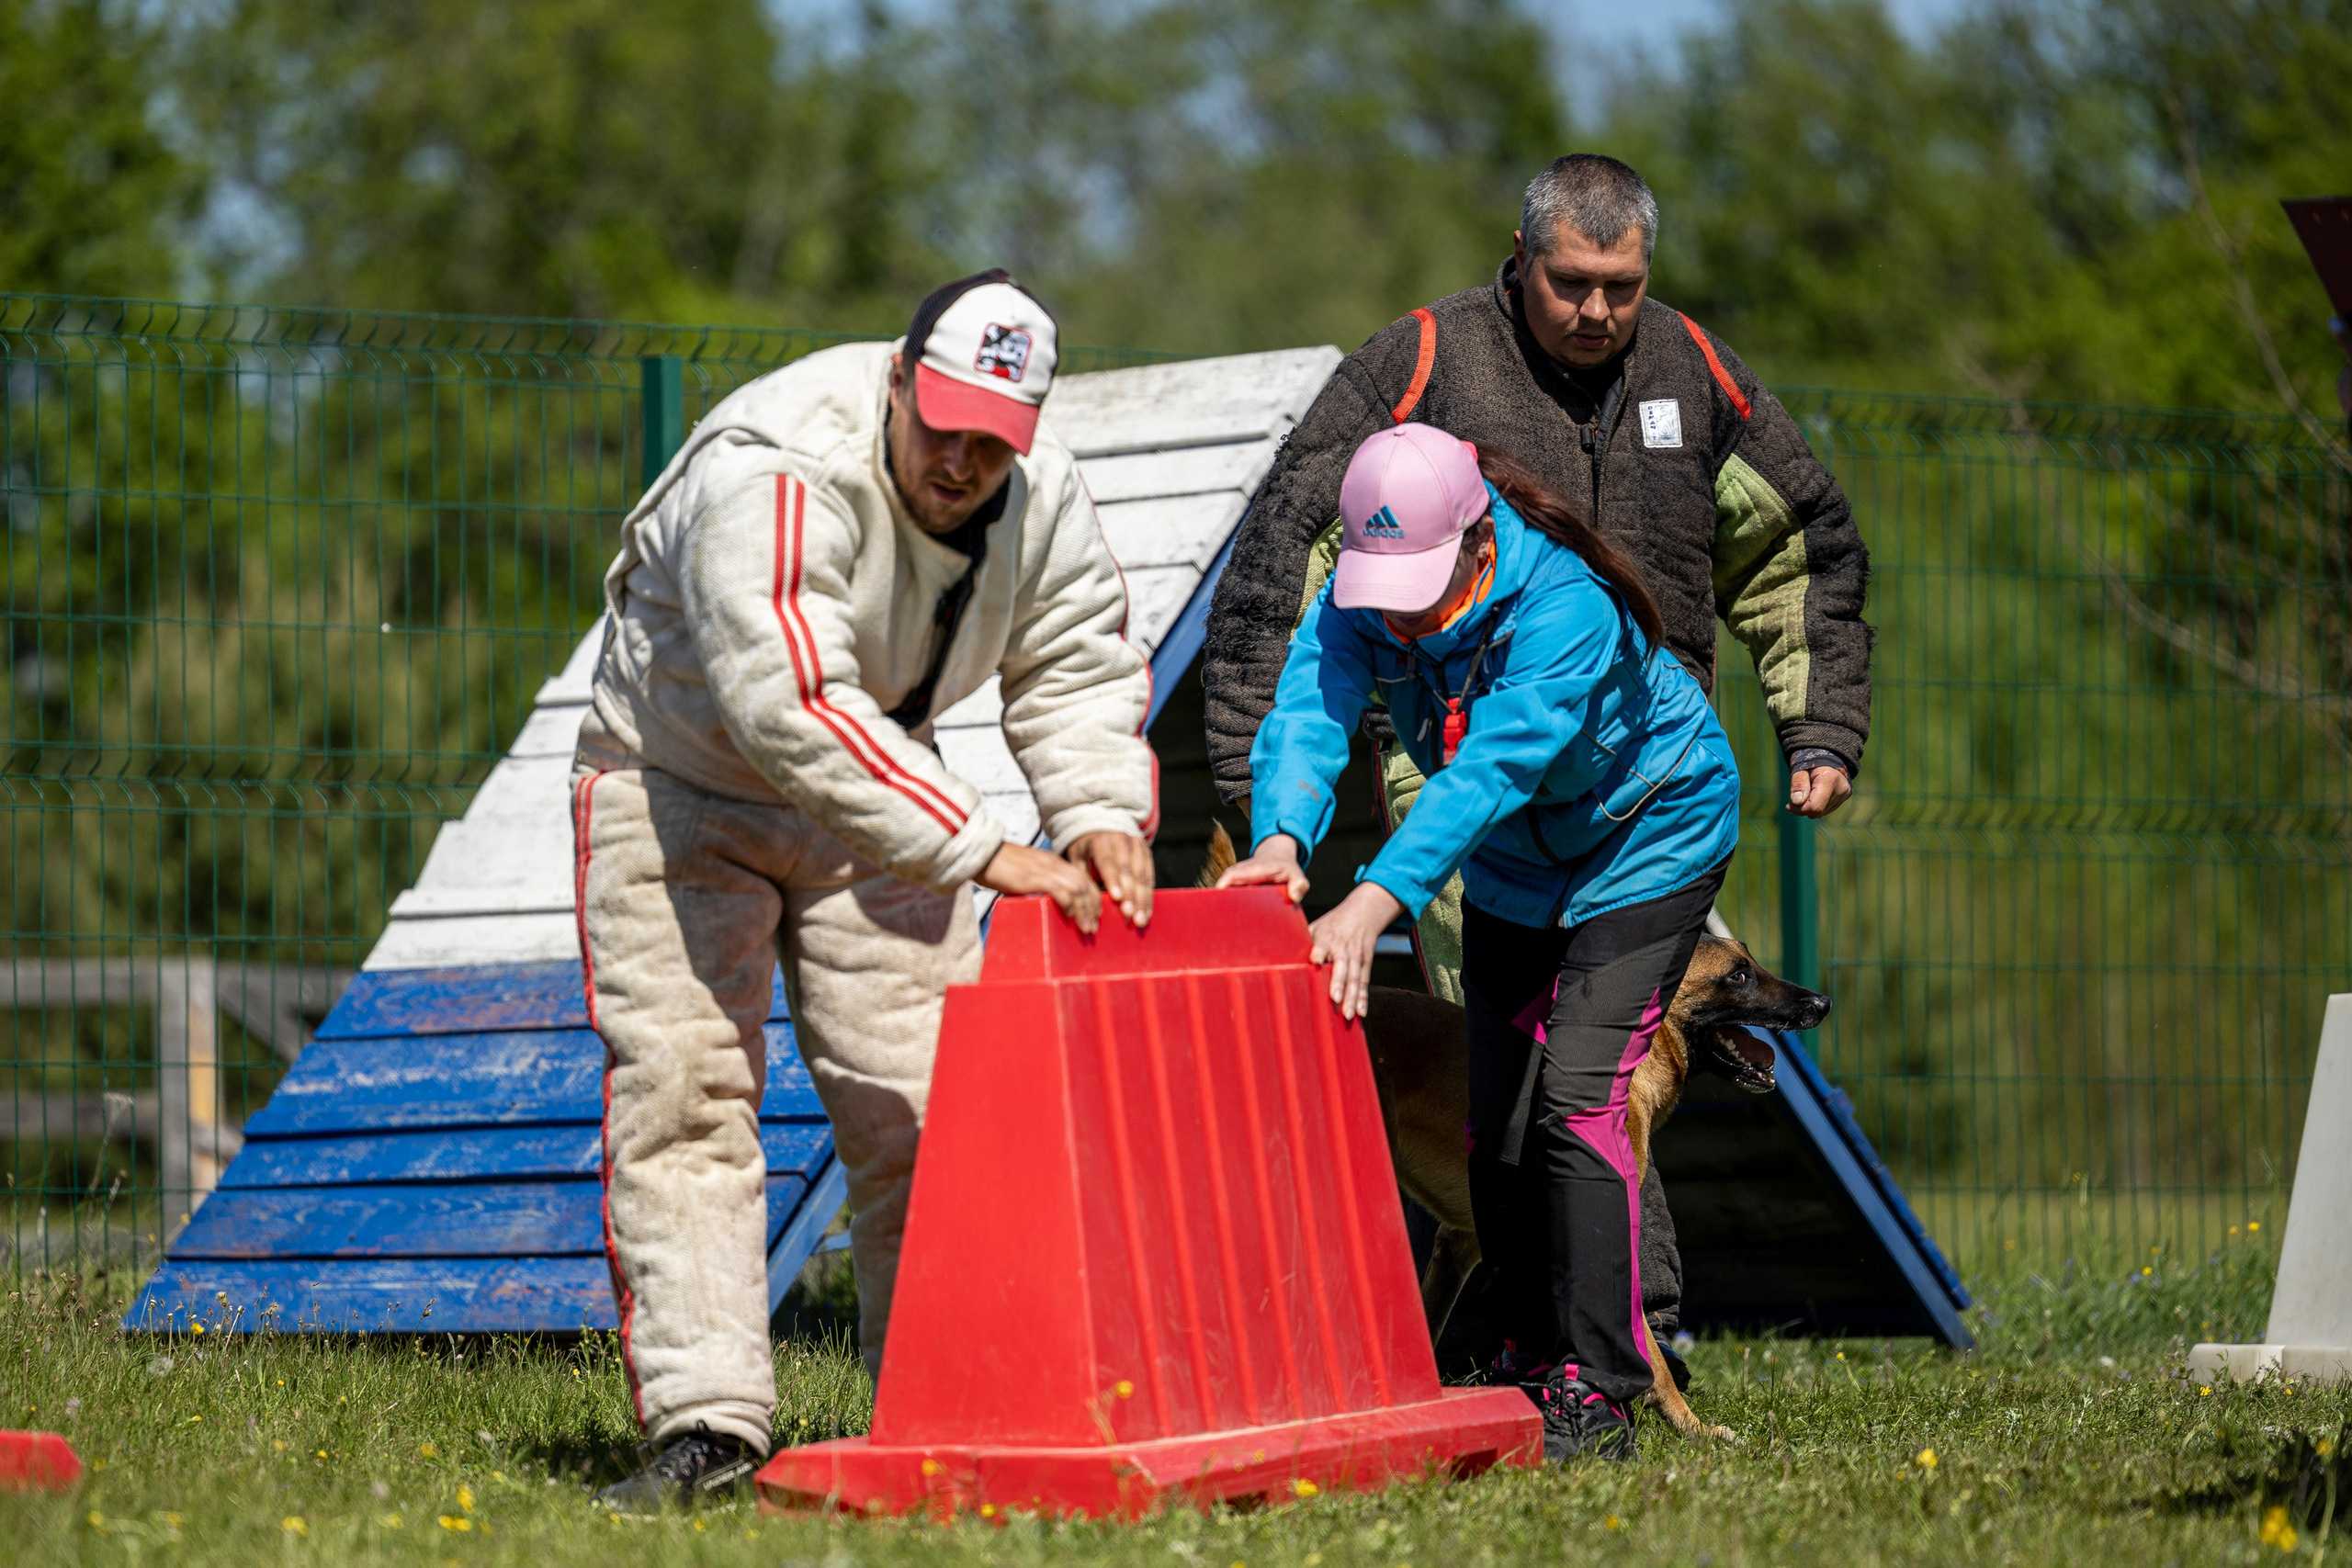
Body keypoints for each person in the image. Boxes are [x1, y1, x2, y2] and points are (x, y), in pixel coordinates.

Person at [1199, 152, 1872, 1337]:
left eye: (1622, 285)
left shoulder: (1689, 373)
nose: (1599, 311)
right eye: (1571, 284)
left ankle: (1609, 1338)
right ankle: (1537, 1333)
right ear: (1522, 263)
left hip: (1628, 781)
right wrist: (1277, 825)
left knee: (1593, 1077)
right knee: (1511, 1087)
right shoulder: (1421, 364)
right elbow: (1296, 566)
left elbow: (1797, 542)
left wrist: (1818, 719)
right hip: (1447, 780)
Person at [573, 270, 1158, 1507]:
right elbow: (789, 701)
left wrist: (1099, 814)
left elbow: (1075, 657)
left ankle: (941, 1411)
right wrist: (987, 846)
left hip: (882, 782)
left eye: (990, 442)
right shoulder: (771, 464)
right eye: (938, 417)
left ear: (1029, 435)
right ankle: (708, 1426)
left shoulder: (1037, 500)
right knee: (687, 1091)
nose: (957, 458)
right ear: (896, 376)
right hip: (677, 776)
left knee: (931, 1108)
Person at [1219, 423, 1739, 1462]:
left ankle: (1597, 1394)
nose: (1400, 608)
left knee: (1577, 1101)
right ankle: (1520, 1360)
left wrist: (1375, 897)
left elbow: (1492, 767)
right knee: (1493, 1114)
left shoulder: (1564, 608)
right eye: (1385, 583)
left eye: (1420, 579)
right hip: (1516, 863)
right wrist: (1282, 834)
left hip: (1648, 844)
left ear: (1479, 543)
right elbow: (1312, 703)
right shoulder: (1367, 596)